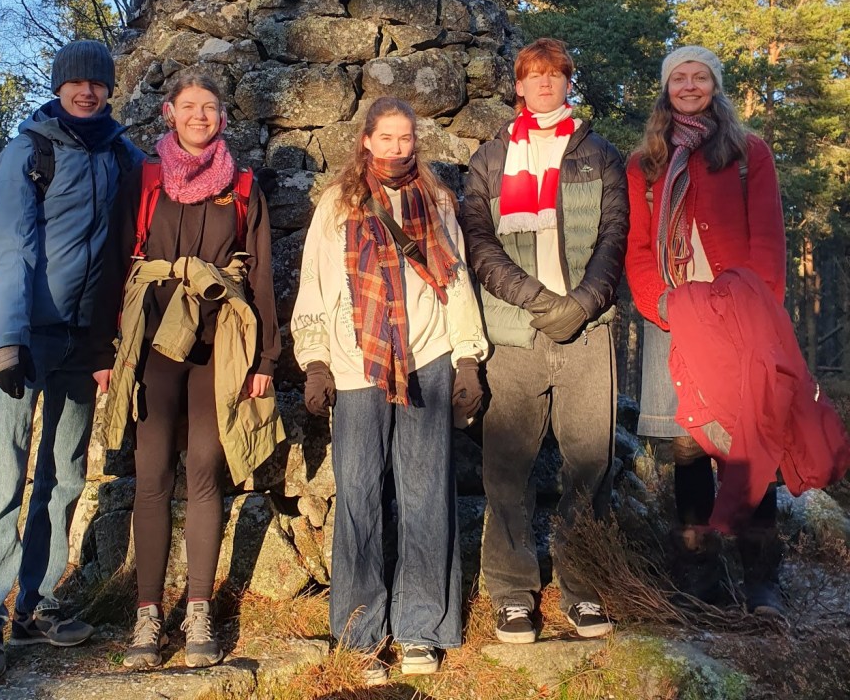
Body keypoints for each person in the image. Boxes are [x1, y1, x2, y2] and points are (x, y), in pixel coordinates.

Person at [0, 40, 144, 684]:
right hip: (26, 337)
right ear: (59, 85)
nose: (86, 93)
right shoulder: (28, 153)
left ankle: (34, 603)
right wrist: (5, 340)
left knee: (64, 477)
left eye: (97, 84)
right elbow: (10, 249)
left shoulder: (123, 156)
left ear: (108, 90)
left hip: (83, 342)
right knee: (5, 477)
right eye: (76, 83)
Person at [291, 97, 487, 684]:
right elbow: (315, 284)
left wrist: (469, 358)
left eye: (406, 139)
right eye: (387, 138)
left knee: (426, 495)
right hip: (357, 366)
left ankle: (421, 629)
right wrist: (316, 361)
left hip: (427, 358)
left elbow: (455, 282)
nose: (397, 148)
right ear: (367, 141)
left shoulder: (437, 202)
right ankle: (359, 632)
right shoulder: (336, 205)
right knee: (357, 499)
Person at [94, 69, 284, 671]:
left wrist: (266, 360)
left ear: (222, 117)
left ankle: (198, 607)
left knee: (205, 472)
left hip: (220, 347)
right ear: (169, 114)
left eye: (210, 106)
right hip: (151, 344)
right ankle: (148, 615)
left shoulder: (244, 187)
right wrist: (105, 352)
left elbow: (260, 279)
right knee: (150, 477)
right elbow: (112, 259)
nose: (200, 115)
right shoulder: (144, 180)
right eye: (189, 106)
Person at [461, 38, 627, 644]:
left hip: (588, 332)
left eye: (556, 75)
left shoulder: (601, 155)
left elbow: (615, 237)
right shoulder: (489, 159)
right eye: (534, 77)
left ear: (567, 83)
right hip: (514, 331)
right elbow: (479, 242)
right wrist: (536, 302)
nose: (545, 85)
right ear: (518, 86)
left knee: (590, 464)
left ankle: (584, 588)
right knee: (508, 468)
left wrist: (581, 305)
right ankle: (512, 592)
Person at [625, 45, 794, 613]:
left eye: (700, 77)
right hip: (674, 315)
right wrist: (661, 303)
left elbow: (769, 237)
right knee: (688, 444)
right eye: (680, 77)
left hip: (740, 314)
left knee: (747, 439)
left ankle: (762, 580)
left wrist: (758, 306)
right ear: (666, 88)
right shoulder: (645, 162)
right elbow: (640, 247)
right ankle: (699, 580)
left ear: (715, 86)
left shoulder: (748, 154)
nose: (690, 85)